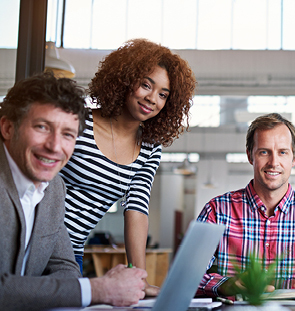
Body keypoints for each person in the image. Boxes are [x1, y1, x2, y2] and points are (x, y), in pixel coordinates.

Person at [59, 38, 196, 295]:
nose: (152, 99)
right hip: (30, 242)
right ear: (125, 79)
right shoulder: (78, 121)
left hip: (70, 254)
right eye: (146, 84)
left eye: (163, 94)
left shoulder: (149, 148)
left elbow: (137, 210)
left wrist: (139, 278)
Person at [0, 72, 147, 311]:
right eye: (42, 127)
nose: (54, 146)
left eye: (68, 134)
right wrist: (101, 289)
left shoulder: (54, 189)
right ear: (7, 128)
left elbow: (66, 269)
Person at [196, 113, 295, 297]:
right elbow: (188, 275)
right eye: (264, 152)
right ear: (250, 155)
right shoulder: (217, 211)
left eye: (282, 152)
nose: (274, 162)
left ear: (294, 158)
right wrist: (225, 284)